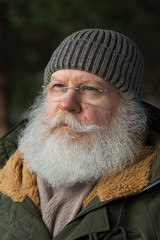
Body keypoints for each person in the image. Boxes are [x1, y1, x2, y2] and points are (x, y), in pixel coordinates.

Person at [0, 29, 160, 240]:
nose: (67, 104)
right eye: (58, 86)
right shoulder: (6, 170)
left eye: (90, 89)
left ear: (127, 108)